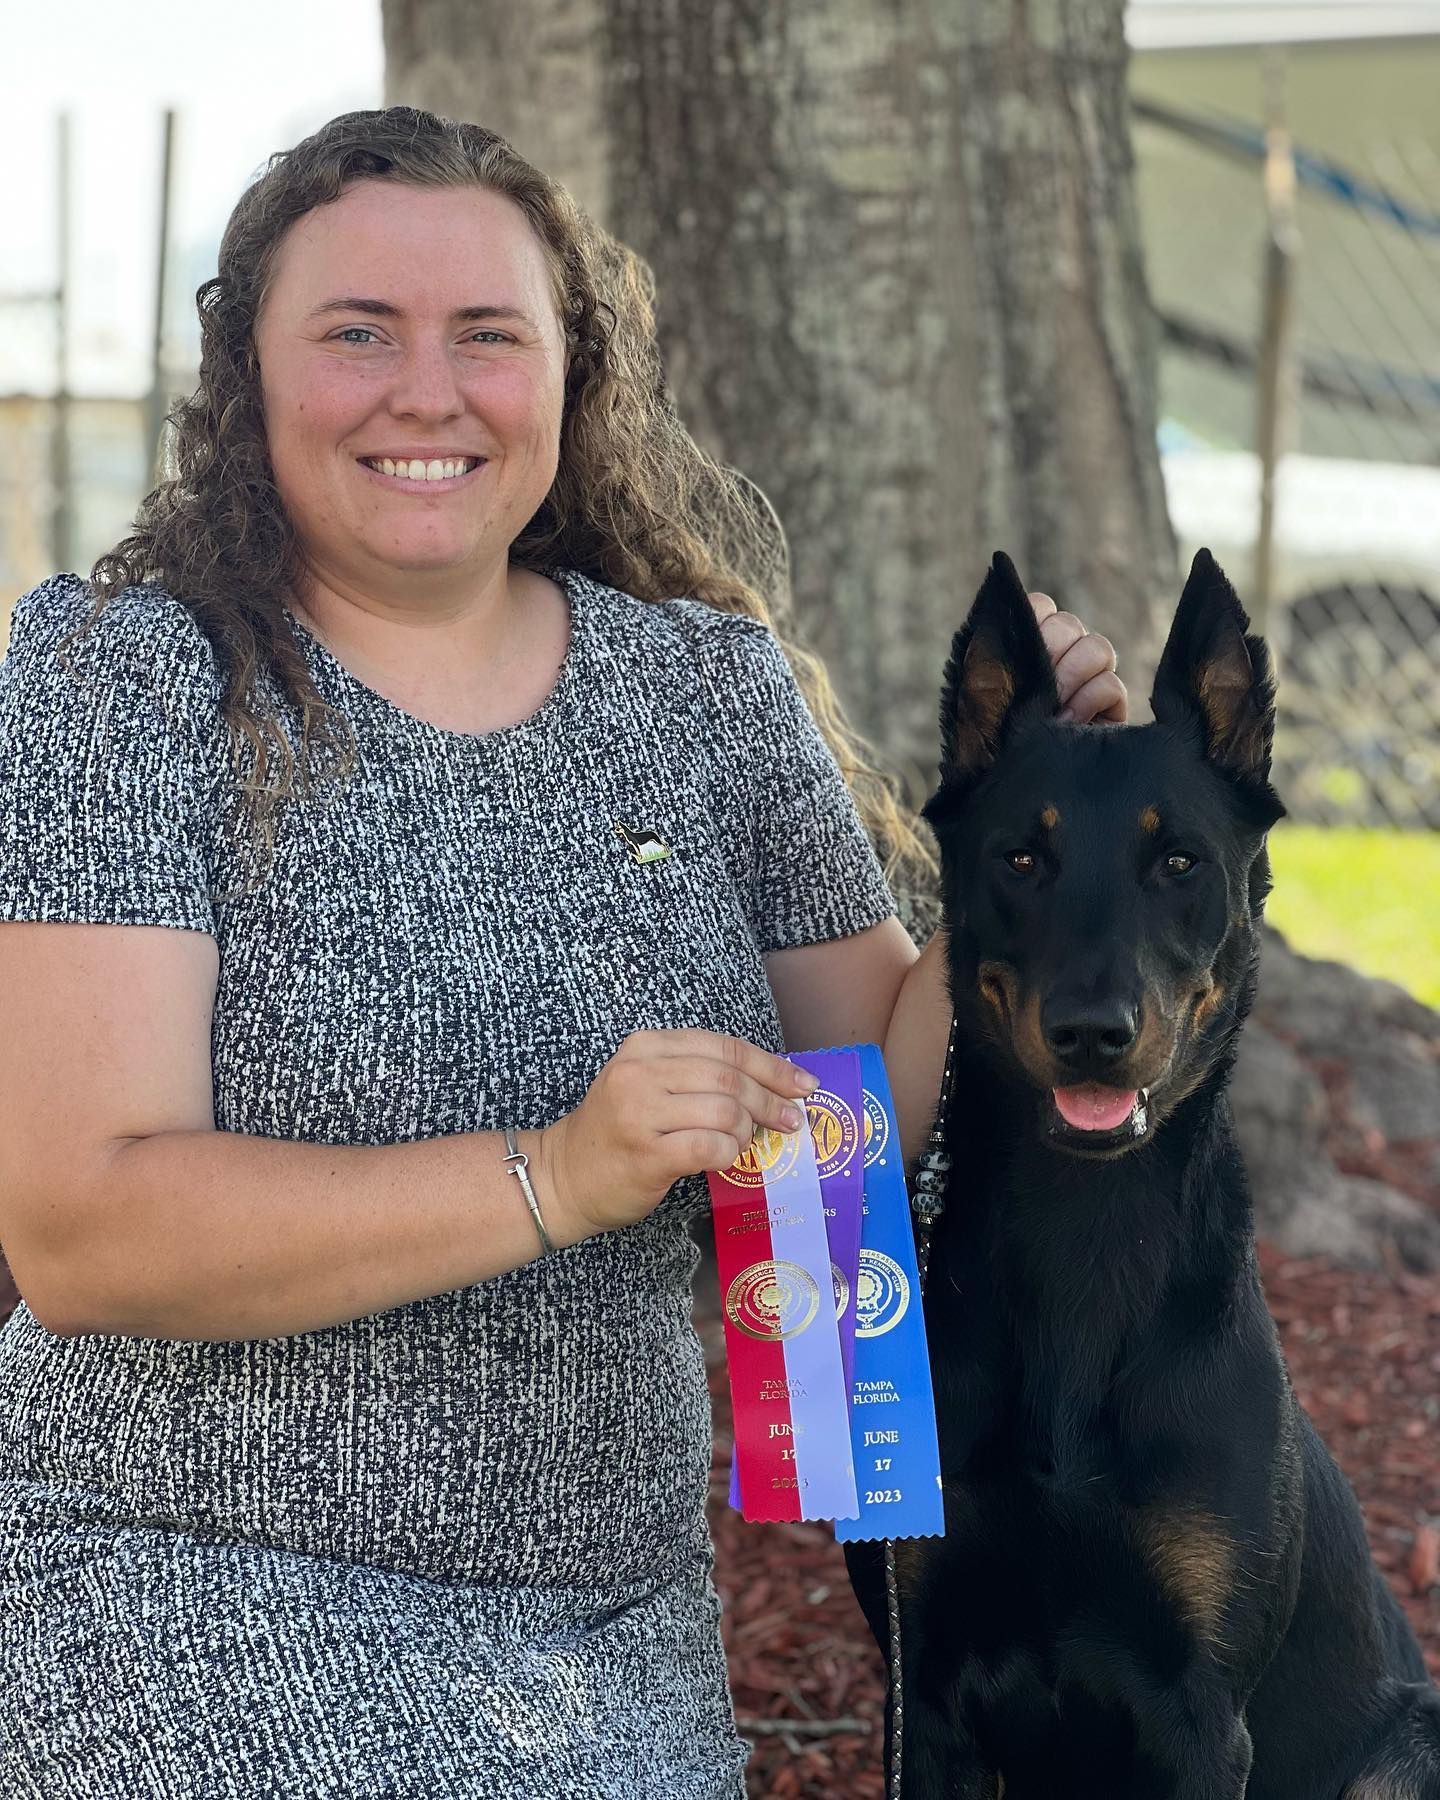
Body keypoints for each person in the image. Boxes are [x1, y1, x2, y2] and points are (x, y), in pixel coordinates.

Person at [0, 107, 1126, 1799]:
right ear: (249, 375)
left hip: (607, 1630)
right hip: (181, 1581)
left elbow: (867, 1121)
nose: (427, 392)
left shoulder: (703, 688)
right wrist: (555, 1173)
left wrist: (1024, 841)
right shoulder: (129, 680)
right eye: (357, 332)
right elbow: (85, 1231)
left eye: (487, 335)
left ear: (570, 377)